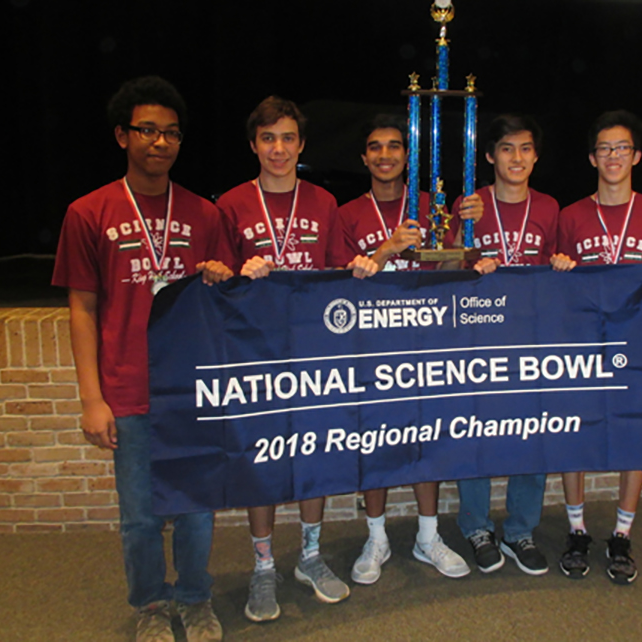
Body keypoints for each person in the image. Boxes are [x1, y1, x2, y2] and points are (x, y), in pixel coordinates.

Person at [52, 76, 230, 642]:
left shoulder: (204, 214)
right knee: (140, 518)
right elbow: (82, 308)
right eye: (147, 131)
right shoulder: (88, 212)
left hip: (192, 390)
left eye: (171, 133)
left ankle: (196, 598)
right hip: (126, 391)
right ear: (122, 135)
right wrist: (91, 398)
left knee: (198, 510)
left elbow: (222, 295)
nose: (160, 143)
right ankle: (152, 606)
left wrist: (221, 277)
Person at [214, 96, 376, 623]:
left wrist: (354, 267)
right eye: (267, 138)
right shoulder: (232, 204)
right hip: (257, 356)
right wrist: (240, 274)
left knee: (315, 455)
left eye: (287, 138)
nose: (278, 149)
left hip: (315, 355)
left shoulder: (324, 203)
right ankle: (263, 564)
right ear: (253, 145)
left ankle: (309, 554)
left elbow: (335, 274)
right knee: (262, 462)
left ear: (301, 145)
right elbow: (215, 282)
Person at [335, 114, 479, 584]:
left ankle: (427, 536)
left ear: (407, 155)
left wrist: (466, 236)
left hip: (427, 345)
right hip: (372, 348)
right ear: (364, 157)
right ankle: (375, 536)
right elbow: (338, 288)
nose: (385, 155)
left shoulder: (431, 204)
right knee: (374, 445)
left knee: (428, 442)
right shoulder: (347, 214)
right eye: (375, 147)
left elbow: (455, 265)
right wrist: (386, 249)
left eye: (394, 146)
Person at [550, 109, 642, 584]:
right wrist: (559, 268)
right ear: (591, 157)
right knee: (575, 433)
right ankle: (578, 529)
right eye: (604, 148)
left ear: (637, 156)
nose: (613, 156)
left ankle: (622, 534)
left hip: (636, 346)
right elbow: (557, 285)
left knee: (635, 434)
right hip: (581, 347)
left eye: (622, 148)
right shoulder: (571, 215)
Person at [450, 114, 560, 576]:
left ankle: (519, 530)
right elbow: (446, 264)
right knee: (475, 434)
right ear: (491, 155)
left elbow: (561, 270)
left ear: (535, 156)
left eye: (526, 149)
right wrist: (461, 235)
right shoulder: (469, 203)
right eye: (507, 149)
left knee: (530, 437)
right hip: (478, 340)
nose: (517, 158)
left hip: (531, 342)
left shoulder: (551, 207)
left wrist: (562, 263)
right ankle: (476, 525)